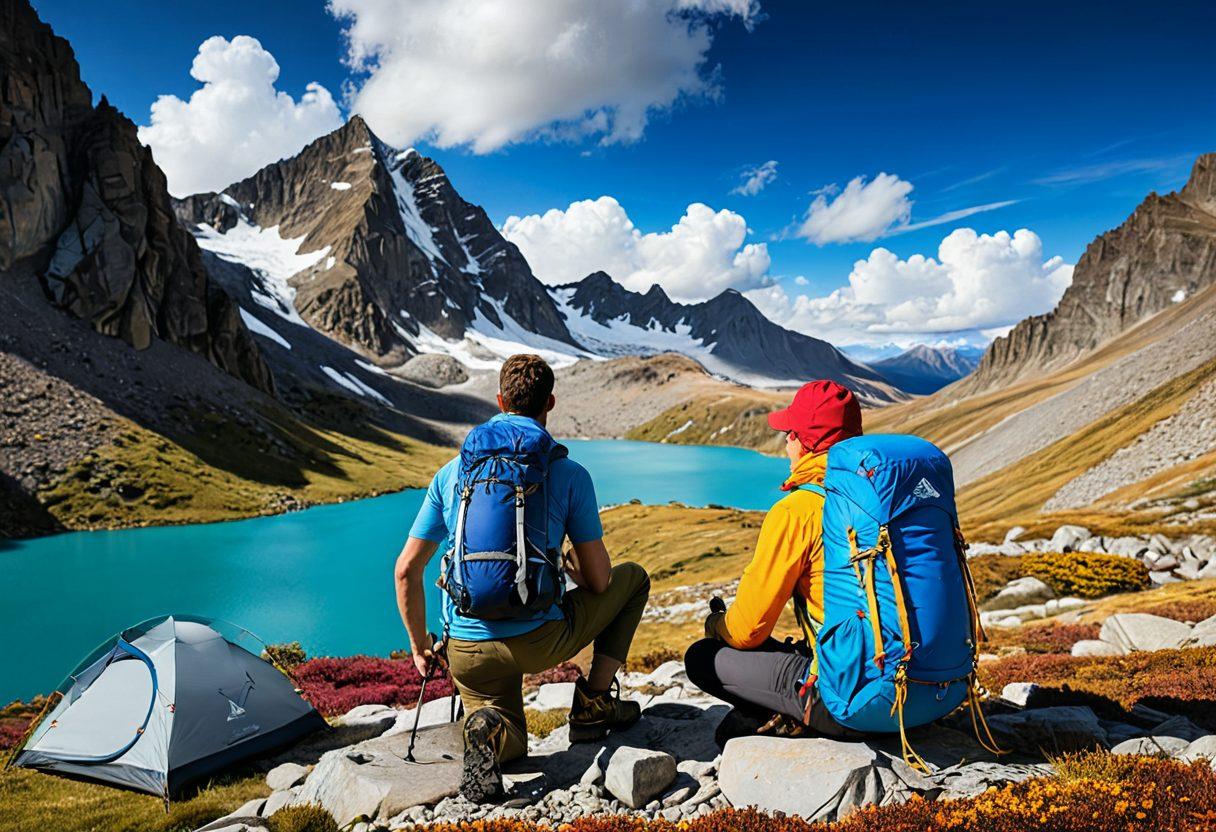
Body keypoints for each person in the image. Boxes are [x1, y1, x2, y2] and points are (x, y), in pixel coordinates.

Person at [396, 354, 651, 803]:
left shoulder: (452, 473)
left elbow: (406, 570)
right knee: (633, 579)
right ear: (550, 401)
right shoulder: (570, 474)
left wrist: (420, 647)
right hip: (540, 639)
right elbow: (599, 580)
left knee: (509, 731)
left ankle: (487, 730)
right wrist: (571, 569)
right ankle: (593, 704)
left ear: (499, 400)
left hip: (468, 648)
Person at [684, 380, 864, 744]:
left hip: (851, 705)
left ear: (807, 442)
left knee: (702, 657)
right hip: (929, 690)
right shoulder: (883, 497)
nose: (785, 442)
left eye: (791, 433)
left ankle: (786, 714)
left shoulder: (799, 510)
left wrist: (716, 625)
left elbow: (746, 632)